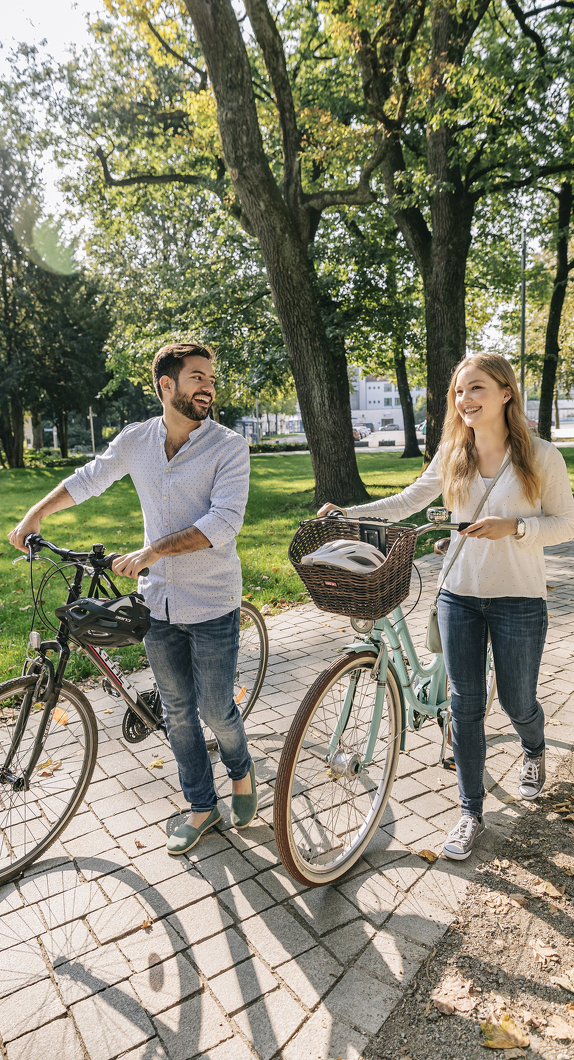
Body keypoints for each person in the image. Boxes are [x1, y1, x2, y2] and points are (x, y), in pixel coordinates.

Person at [319, 354, 574, 860]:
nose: (465, 400)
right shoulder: (453, 451)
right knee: (465, 704)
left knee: (517, 702)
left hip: (519, 601)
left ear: (505, 392)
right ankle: (469, 812)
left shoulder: (541, 456)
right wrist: (350, 512)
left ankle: (533, 747)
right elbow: (410, 499)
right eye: (459, 392)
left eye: (475, 388)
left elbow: (565, 525)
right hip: (458, 595)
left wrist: (516, 528)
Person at [8, 341, 258, 855]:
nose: (208, 387)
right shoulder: (136, 440)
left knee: (214, 709)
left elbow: (224, 522)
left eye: (210, 378)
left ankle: (241, 769)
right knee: (176, 712)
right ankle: (201, 806)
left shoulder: (229, 446)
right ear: (167, 386)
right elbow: (89, 478)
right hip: (159, 602)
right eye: (196, 378)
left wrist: (151, 552)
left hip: (212, 601)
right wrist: (37, 513)